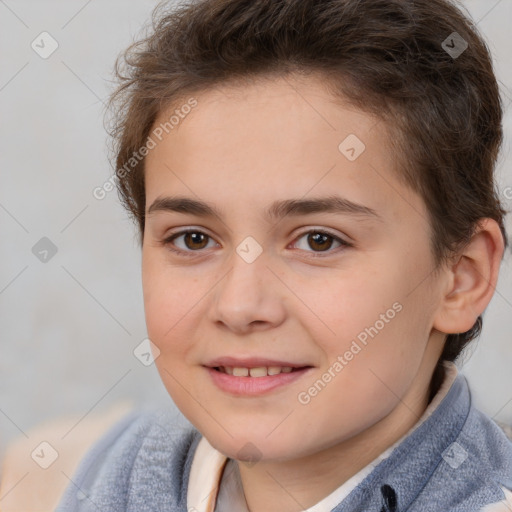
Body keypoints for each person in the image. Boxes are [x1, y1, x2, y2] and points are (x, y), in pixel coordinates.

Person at [56, 0, 512, 510]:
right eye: (194, 239)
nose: (239, 306)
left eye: (319, 240)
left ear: (461, 278)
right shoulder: (107, 469)